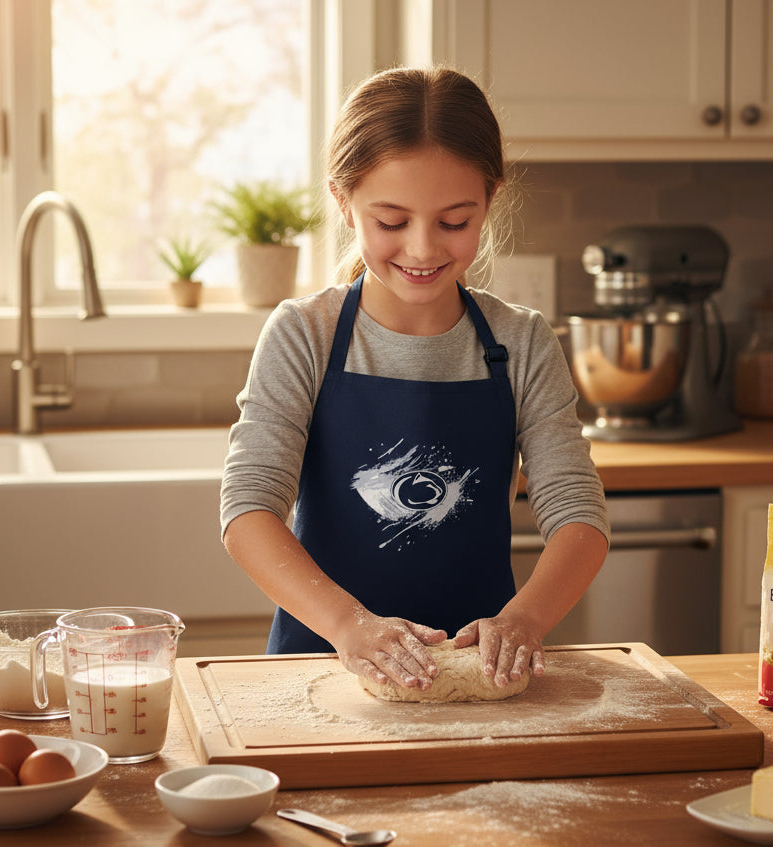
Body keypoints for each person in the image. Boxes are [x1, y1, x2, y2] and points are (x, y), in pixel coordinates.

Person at [221, 66, 609, 695]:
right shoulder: (305, 334)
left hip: (481, 674)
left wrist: (527, 619)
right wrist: (348, 626)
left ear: (490, 199)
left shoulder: (521, 342)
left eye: (454, 222)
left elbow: (578, 514)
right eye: (392, 222)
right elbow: (248, 510)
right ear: (343, 202)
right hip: (322, 669)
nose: (423, 249)